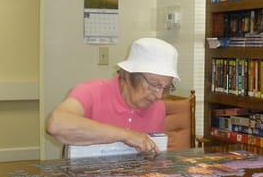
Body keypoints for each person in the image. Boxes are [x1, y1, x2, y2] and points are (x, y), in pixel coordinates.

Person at [46, 37, 180, 154]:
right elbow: (56, 124)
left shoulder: (158, 108)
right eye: (153, 84)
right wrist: (126, 135)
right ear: (128, 75)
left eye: (166, 88)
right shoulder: (91, 91)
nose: (159, 95)